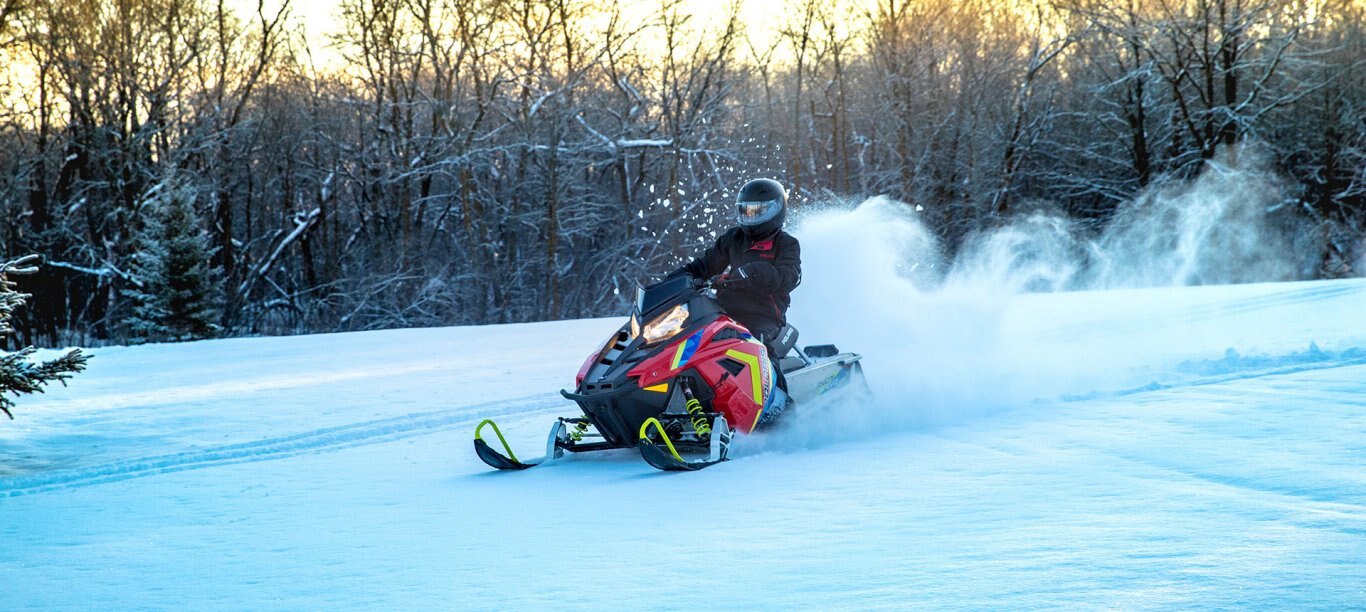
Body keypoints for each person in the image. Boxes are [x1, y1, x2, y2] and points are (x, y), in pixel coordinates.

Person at [671, 178, 801, 360]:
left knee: (758, 348)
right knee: (688, 337)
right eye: (746, 211)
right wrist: (672, 282)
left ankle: (778, 387)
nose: (750, 216)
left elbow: (791, 276)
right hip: (726, 308)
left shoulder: (785, 244)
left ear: (776, 209)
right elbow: (705, 265)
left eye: (757, 212)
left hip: (763, 314)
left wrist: (755, 272)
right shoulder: (734, 238)